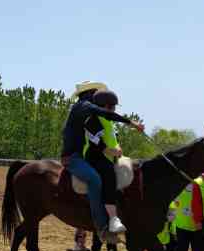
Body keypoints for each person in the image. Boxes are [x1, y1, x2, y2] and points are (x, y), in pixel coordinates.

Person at [61, 81, 144, 240]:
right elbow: (106, 114)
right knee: (94, 179)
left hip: (79, 156)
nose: (97, 97)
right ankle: (101, 227)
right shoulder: (83, 106)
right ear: (90, 94)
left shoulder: (83, 109)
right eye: (96, 93)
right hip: (72, 158)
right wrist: (132, 123)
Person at [83, 90, 126, 234]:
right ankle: (113, 219)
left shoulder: (109, 122)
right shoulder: (92, 121)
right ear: (103, 106)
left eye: (114, 107)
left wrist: (118, 149)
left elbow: (115, 141)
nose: (113, 110)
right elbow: (99, 146)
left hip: (111, 156)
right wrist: (113, 152)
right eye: (111, 107)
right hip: (95, 157)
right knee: (109, 174)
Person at [173, 182, 204, 251]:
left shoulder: (201, 185)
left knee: (199, 250)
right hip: (181, 225)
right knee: (181, 250)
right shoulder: (179, 185)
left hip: (197, 225)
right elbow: (174, 203)